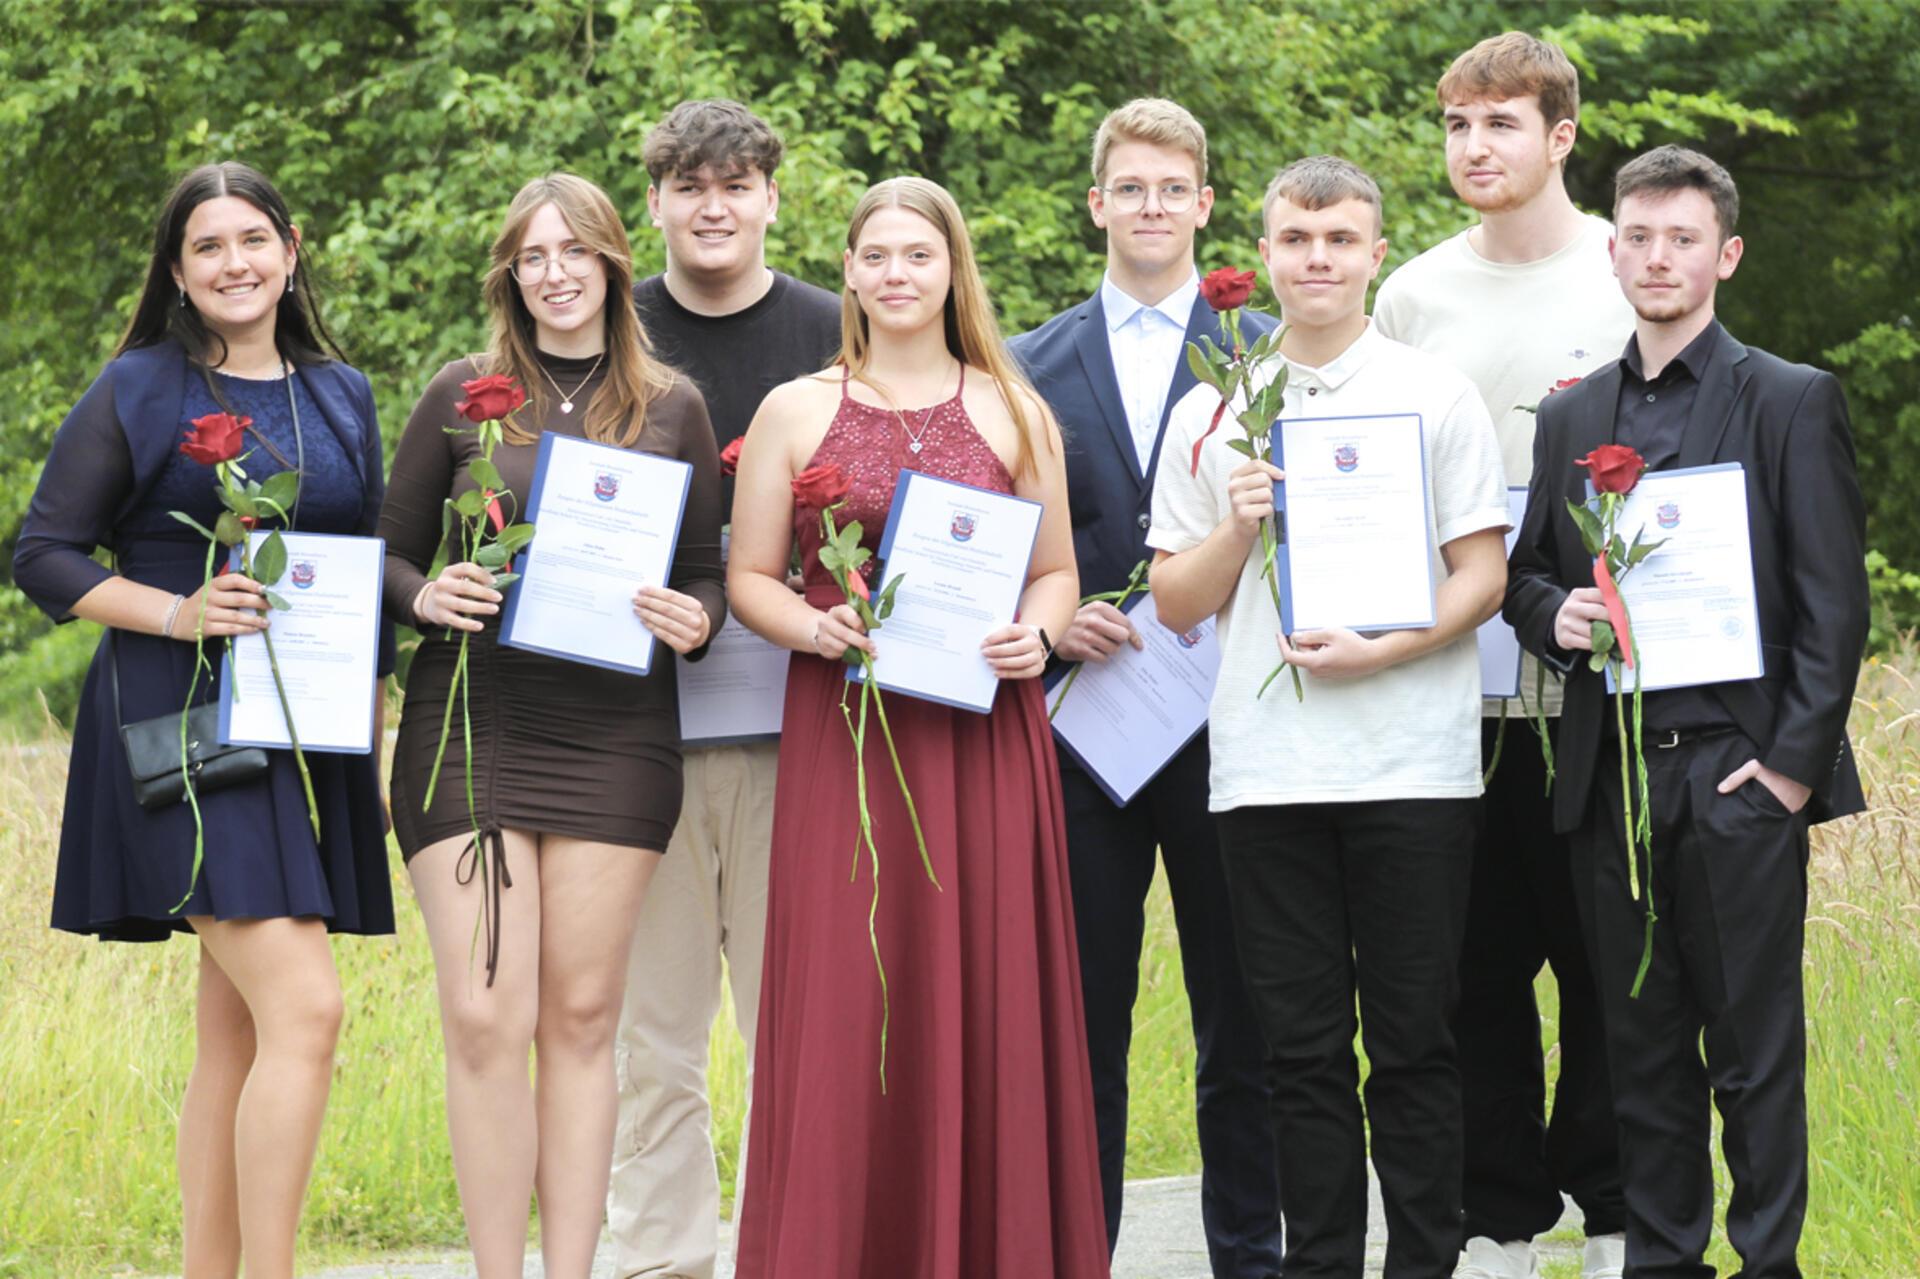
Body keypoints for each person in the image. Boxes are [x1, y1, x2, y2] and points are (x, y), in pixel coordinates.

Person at [12, 160, 395, 1279]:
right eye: (208, 247)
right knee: (307, 1011)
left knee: (236, 1032)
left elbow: (360, 573)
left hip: (304, 729)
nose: (235, 264)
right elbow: (40, 552)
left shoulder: (341, 393)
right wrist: (181, 612)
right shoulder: (139, 385)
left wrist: (362, 739)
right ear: (178, 272)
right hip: (176, 723)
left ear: (291, 247)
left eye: (252, 240)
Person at [725, 175, 1107, 1277]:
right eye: (877, 255)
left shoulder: (1014, 407)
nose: (897, 274)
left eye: (918, 256)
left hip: (985, 739)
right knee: (850, 998)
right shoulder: (795, 408)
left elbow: (1057, 573)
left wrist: (1037, 636)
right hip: (846, 739)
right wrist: (815, 627)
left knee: (980, 990)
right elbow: (749, 575)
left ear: (953, 270)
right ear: (847, 269)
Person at [1504, 144, 1867, 1279]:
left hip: (1735, 772)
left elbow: (1833, 605)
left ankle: (1769, 1265)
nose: (1659, 257)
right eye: (1641, 236)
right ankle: (1663, 1262)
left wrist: (1790, 774)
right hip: (1608, 776)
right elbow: (1523, 575)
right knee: (1637, 1049)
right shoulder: (1572, 417)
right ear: (1612, 249)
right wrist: (1554, 613)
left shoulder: (1790, 399)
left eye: (1684, 238)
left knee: (1753, 1050)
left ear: (1727, 255)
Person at [1150, 156, 1509, 1278]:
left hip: (1413, 765)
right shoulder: (1218, 408)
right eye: (1297, 241)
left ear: (1375, 253)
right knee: (1298, 1052)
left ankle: (1422, 1263)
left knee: (1412, 1043)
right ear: (1264, 252)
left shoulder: (1432, 391)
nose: (1318, 261)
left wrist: (1380, 651)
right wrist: (1239, 522)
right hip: (1268, 775)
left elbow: (1482, 575)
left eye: (1341, 241)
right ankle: (1318, 1265)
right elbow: (1173, 601)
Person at [378, 172, 724, 1279]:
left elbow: (708, 575)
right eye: (532, 256)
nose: (555, 273)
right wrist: (425, 595)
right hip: (469, 729)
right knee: (487, 1018)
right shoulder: (461, 390)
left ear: (615, 263)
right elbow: (387, 554)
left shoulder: (671, 403)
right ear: (510, 275)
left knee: (581, 1019)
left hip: (617, 740)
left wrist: (695, 617)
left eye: (575, 251)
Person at [1370, 33, 1632, 1279]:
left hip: (1604, 696)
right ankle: (1499, 1225)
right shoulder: (1413, 292)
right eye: (1458, 126)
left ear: (1562, 136)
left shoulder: (1626, 274)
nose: (1475, 148)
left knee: (1608, 966)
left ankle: (1622, 1208)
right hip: (1446, 696)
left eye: (1502, 125)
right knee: (1469, 971)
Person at [1007, 97, 1282, 1277]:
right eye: (1131, 188)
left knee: (1249, 1014)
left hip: (1236, 720)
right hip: (1088, 734)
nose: (1152, 206)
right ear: (1097, 204)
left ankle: (1251, 1258)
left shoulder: (1270, 351)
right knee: (1082, 1018)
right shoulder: (1024, 363)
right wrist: (1050, 615)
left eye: (1174, 188)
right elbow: (1002, 539)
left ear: (1207, 204)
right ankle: (1081, 1254)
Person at [610, 99, 840, 1279]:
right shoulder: (607, 330)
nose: (713, 206)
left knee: (797, 1025)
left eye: (737, 184)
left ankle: (794, 1250)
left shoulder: (834, 327)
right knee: (652, 1034)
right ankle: (661, 1260)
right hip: (635, 736)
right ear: (653, 200)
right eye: (690, 185)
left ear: (771, 199)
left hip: (800, 730)